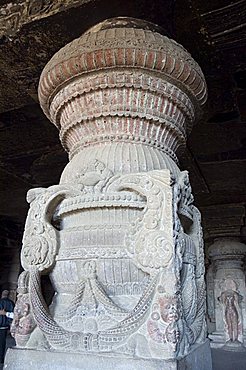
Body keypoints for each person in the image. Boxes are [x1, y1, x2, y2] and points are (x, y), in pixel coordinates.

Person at [0, 290, 14, 364]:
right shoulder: (11, 303)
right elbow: (14, 315)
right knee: (2, 344)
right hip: (4, 327)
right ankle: (1, 359)